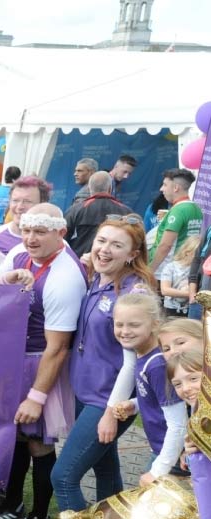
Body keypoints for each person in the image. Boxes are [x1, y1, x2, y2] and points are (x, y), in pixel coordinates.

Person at [50, 214, 155, 513]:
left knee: (64, 477)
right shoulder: (99, 278)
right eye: (101, 241)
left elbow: (132, 363)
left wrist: (111, 412)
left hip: (106, 400)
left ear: (132, 254)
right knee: (105, 469)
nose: (105, 249)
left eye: (116, 245)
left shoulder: (133, 292)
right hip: (85, 394)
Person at [0, 204, 87, 519]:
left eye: (40, 232)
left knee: (38, 443)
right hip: (13, 357)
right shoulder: (22, 253)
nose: (31, 238)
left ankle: (39, 513)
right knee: (17, 437)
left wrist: (37, 396)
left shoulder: (64, 277)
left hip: (40, 361)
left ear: (60, 233)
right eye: (27, 230)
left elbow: (58, 347)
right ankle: (12, 504)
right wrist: (7, 277)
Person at [108, 293, 187, 487]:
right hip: (162, 450)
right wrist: (133, 405)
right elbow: (157, 397)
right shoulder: (143, 355)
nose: (125, 331)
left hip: (173, 457)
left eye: (134, 325)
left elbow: (178, 423)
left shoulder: (157, 365)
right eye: (119, 324)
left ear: (154, 324)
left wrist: (158, 470)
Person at [166, 349, 209, 515]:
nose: (186, 388)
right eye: (177, 384)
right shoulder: (196, 414)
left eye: (193, 379)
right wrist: (190, 454)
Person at [0, 177, 51, 271]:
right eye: (15, 200)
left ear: (42, 204)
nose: (20, 207)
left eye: (27, 201)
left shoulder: (53, 242)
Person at [63, 171, 132, 256]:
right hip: (112, 264)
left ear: (89, 188)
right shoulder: (126, 212)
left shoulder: (74, 210)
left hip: (81, 265)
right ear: (110, 188)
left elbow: (61, 241)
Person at [148, 168, 202, 274]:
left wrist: (150, 270)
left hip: (166, 272)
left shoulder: (178, 211)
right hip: (184, 268)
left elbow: (165, 245)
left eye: (165, 185)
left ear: (176, 188)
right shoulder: (196, 208)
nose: (161, 189)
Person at [158, 235, 198, 318]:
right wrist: (191, 294)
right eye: (197, 253)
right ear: (187, 252)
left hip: (190, 309)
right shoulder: (171, 267)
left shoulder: (199, 270)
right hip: (171, 310)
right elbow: (165, 290)